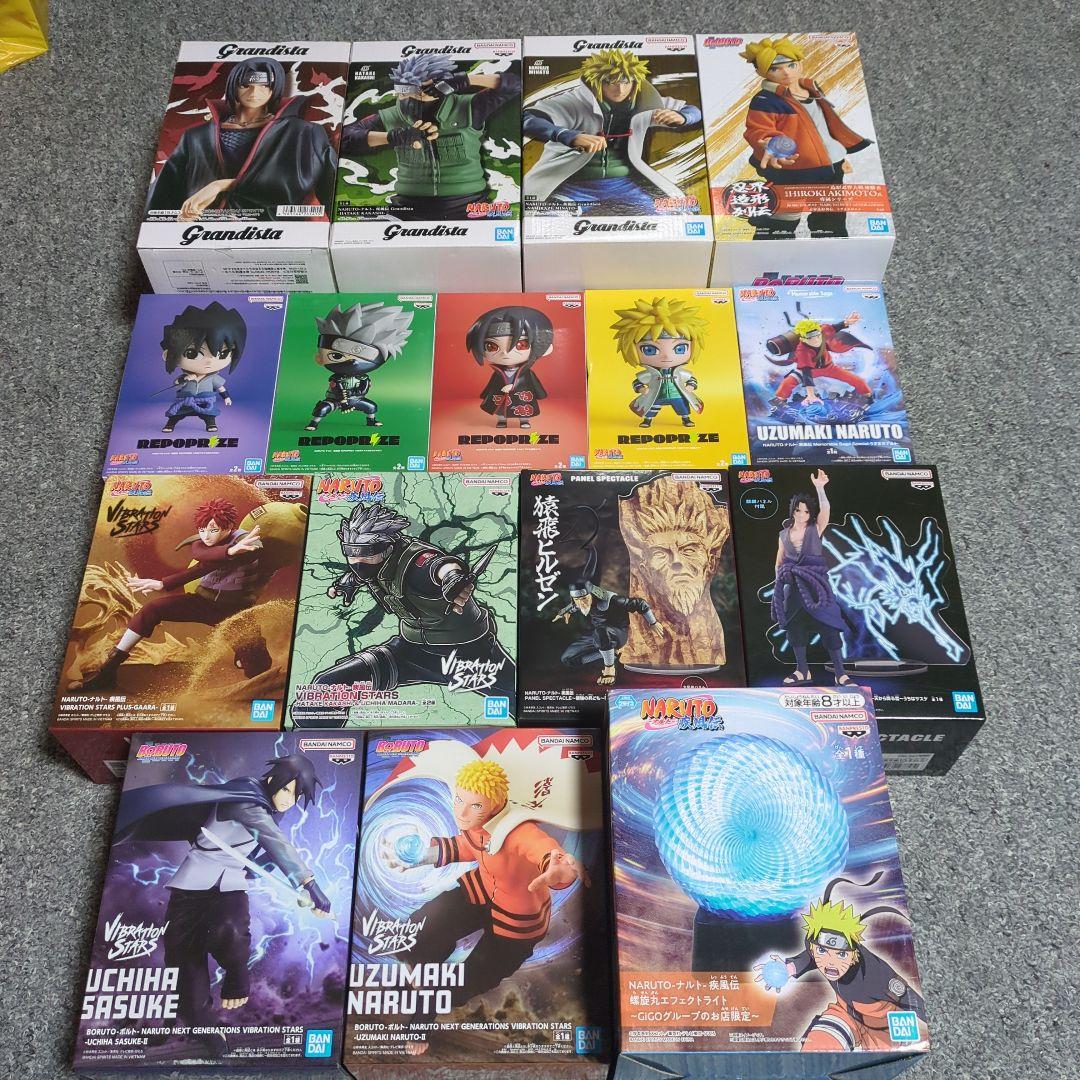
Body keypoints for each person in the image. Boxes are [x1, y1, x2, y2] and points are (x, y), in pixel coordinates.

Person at [114, 752, 332, 1057]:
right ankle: (205, 1029)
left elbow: (265, 848)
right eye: (286, 790)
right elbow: (273, 839)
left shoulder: (270, 809)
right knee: (184, 972)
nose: (287, 800)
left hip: (229, 885)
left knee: (230, 929)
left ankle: (237, 976)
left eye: (295, 797)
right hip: (189, 887)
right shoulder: (245, 797)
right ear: (272, 780)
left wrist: (294, 884)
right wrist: (310, 884)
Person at [381, 758, 587, 1010]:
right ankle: (413, 980)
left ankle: (431, 1005)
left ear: (496, 805)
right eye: (459, 800)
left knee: (476, 975)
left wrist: (559, 869)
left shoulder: (519, 831)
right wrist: (424, 856)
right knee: (420, 927)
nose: (461, 813)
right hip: (481, 890)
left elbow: (542, 848)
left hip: (517, 921)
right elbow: (468, 845)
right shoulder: (475, 824)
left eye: (475, 805)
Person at [290, 502, 516, 726]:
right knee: (322, 694)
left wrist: (452, 578)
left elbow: (439, 566)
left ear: (388, 547)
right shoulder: (375, 563)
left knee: (522, 699)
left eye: (366, 554)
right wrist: (347, 582)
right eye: (350, 553)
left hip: (471, 656)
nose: (357, 562)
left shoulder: (417, 562)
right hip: (412, 652)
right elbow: (363, 571)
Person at [75, 499, 268, 690]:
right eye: (202, 530)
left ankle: (244, 653)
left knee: (257, 667)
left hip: (235, 611)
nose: (206, 536)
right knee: (151, 610)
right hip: (203, 602)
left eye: (213, 530)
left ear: (229, 527)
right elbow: (202, 557)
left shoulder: (247, 542)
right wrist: (229, 551)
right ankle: (108, 671)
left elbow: (216, 563)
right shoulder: (204, 543)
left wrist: (234, 550)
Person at [146, 57, 338, 222]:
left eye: (264, 86)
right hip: (200, 232)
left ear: (275, 88)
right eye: (246, 85)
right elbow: (162, 194)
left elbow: (294, 184)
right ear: (234, 87)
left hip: (272, 232)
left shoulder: (304, 132)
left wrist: (220, 185)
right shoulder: (196, 136)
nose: (254, 93)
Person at [753, 874, 927, 1052]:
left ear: (854, 955)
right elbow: (810, 957)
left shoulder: (875, 975)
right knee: (816, 1047)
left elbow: (910, 999)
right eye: (822, 951)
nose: (830, 962)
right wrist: (789, 967)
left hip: (883, 1028)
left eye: (841, 954)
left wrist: (926, 1024)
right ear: (813, 948)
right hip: (845, 1012)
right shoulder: (817, 952)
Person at [340, 54, 520, 220]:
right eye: (403, 89)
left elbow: (515, 85)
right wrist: (394, 137)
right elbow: (346, 138)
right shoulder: (392, 115)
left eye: (418, 88)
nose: (408, 96)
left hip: (469, 204)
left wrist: (466, 79)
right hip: (408, 206)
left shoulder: (469, 107)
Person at [523, 48, 701, 215]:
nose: (620, 89)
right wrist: (569, 136)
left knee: (679, 213)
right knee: (548, 220)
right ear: (596, 81)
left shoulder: (646, 102)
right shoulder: (574, 102)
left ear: (635, 82)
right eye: (611, 81)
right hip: (571, 186)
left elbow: (693, 111)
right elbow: (529, 119)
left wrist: (683, 117)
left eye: (626, 81)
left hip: (623, 186)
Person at [739, 36, 872, 239]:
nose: (786, 72)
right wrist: (771, 143)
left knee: (831, 217)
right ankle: (768, 251)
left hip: (829, 166)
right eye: (774, 69)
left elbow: (824, 127)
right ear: (760, 72)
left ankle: (833, 250)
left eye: (791, 65)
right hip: (791, 168)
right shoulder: (765, 100)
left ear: (800, 64)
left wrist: (839, 156)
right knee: (782, 218)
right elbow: (758, 129)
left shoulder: (812, 89)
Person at [771, 470, 854, 686]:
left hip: (817, 584)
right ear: (793, 511)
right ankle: (802, 670)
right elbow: (779, 560)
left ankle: (840, 673)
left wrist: (820, 488)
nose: (801, 514)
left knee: (829, 625)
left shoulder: (815, 528)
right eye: (798, 510)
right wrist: (780, 582)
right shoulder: (783, 534)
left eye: (806, 511)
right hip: (793, 586)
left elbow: (825, 509)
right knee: (794, 627)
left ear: (810, 514)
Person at [305, 301, 414, 431]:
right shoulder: (336, 378)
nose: (352, 362)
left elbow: (364, 387)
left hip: (356, 399)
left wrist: (356, 393)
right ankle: (314, 423)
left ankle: (371, 420)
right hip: (336, 400)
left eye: (362, 358)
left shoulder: (363, 377)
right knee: (322, 408)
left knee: (371, 407)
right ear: (319, 358)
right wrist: (343, 397)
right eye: (337, 356)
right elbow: (337, 388)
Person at [611, 296, 708, 428]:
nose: (667, 356)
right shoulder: (651, 374)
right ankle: (647, 420)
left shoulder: (679, 373)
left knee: (683, 407)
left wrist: (691, 386)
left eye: (679, 349)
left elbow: (691, 379)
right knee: (651, 407)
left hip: (677, 394)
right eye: (650, 350)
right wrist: (641, 389)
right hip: (656, 394)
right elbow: (637, 382)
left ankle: (686, 419)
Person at [158, 301, 246, 434]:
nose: (209, 360)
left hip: (206, 402)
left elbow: (221, 388)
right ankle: (170, 424)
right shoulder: (185, 376)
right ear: (168, 354)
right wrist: (184, 379)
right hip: (185, 400)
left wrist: (226, 397)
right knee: (175, 414)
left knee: (210, 415)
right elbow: (177, 384)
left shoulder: (213, 378)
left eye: (222, 353)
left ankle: (210, 424)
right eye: (192, 353)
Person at [465, 305, 554, 429]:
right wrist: (486, 394)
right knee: (500, 409)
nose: (505, 353)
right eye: (491, 346)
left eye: (521, 345)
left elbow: (535, 384)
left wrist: (539, 393)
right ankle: (502, 421)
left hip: (522, 396)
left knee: (524, 410)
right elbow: (492, 385)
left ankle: (524, 421)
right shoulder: (497, 373)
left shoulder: (526, 373)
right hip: (501, 396)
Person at [771, 313, 871, 408]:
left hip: (829, 368)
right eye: (810, 338)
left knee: (859, 381)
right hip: (809, 371)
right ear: (803, 339)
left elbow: (834, 327)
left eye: (817, 335)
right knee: (786, 383)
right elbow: (806, 373)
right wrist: (811, 395)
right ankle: (779, 401)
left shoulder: (822, 331)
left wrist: (847, 322)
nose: (816, 340)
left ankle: (867, 397)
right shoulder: (802, 350)